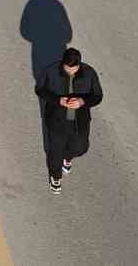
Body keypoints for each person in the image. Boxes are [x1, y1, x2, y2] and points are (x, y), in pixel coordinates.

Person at [35, 47, 104, 194]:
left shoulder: (89, 73)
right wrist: (57, 100)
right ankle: (55, 176)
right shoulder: (51, 71)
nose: (70, 72)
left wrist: (82, 101)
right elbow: (40, 89)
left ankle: (68, 157)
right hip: (56, 120)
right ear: (62, 63)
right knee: (55, 153)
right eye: (67, 69)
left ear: (80, 65)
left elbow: (97, 95)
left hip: (79, 121)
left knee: (80, 147)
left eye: (74, 70)